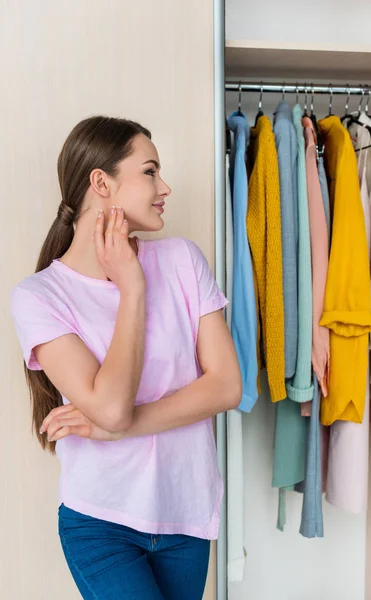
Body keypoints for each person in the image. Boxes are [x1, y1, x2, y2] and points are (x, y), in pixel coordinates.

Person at [9, 116, 242, 600]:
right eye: (150, 172)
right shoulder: (39, 296)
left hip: (187, 517)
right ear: (101, 182)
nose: (165, 187)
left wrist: (117, 426)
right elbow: (110, 406)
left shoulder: (183, 260)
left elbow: (225, 386)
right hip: (101, 523)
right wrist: (132, 287)